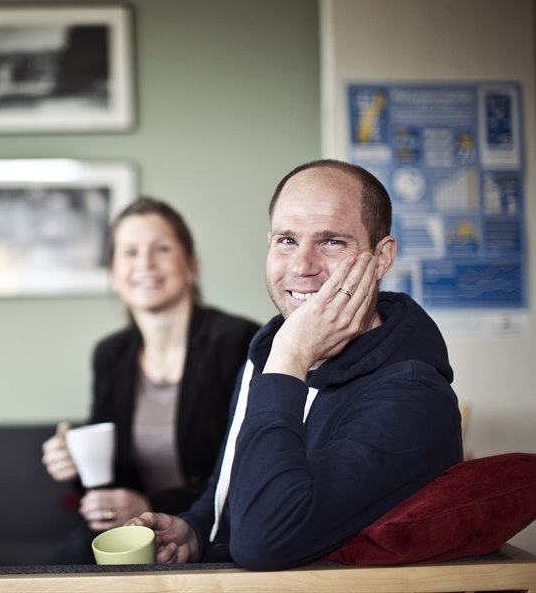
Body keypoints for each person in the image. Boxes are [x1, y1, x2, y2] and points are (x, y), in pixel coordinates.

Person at [130, 160, 463, 570]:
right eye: (287, 240)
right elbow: (233, 482)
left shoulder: (412, 396)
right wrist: (197, 531)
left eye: (332, 242)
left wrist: (290, 358)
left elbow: (265, 542)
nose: (302, 266)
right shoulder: (269, 352)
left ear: (381, 257)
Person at [41, 197, 260, 563]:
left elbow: (247, 467)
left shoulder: (238, 341)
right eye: (130, 252)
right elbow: (110, 480)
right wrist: (75, 464)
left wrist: (148, 504)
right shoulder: (111, 355)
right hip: (139, 532)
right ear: (114, 274)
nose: (144, 263)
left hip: (219, 530)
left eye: (161, 249)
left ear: (191, 265)